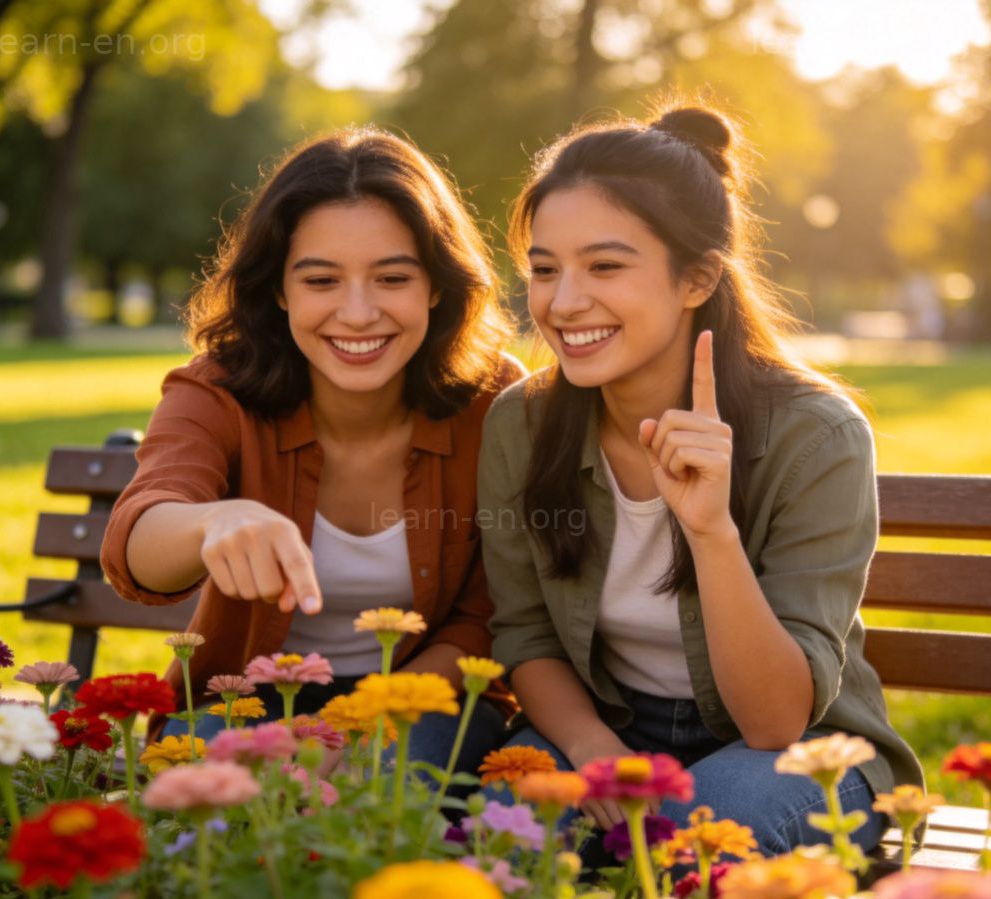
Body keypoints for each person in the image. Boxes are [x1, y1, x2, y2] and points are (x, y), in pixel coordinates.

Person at [476, 103, 923, 856]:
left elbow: (777, 722)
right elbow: (524, 632)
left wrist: (711, 530)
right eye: (544, 269)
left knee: (697, 841)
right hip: (610, 724)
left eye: (606, 266)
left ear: (697, 277)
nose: (562, 301)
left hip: (796, 751)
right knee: (495, 832)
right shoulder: (522, 422)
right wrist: (588, 745)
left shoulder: (818, 436)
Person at [101, 126, 523, 770]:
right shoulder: (217, 389)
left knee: (388, 789)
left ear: (436, 286)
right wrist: (213, 520)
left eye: (391, 278)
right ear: (279, 289)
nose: (357, 314)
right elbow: (137, 539)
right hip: (251, 697)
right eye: (321, 280)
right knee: (210, 799)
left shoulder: (494, 401)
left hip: (426, 695)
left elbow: (487, 616)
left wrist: (360, 728)